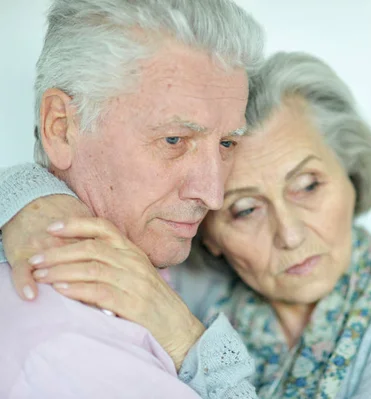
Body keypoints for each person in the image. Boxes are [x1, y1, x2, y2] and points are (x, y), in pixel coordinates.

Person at [0, 52, 371, 398]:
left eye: (308, 186)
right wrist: (31, 199)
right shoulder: (197, 285)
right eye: (244, 209)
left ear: (351, 172)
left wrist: (190, 342)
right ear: (202, 224)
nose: (289, 234)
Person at [0, 0, 265, 397]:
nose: (212, 194)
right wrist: (198, 348)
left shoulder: (159, 260)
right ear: (61, 128)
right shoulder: (75, 353)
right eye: (174, 140)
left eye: (227, 142)